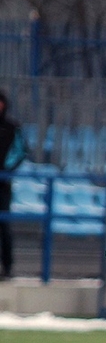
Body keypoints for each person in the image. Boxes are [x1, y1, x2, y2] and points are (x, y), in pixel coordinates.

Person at [0, 90, 28, 280]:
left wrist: (5, 170)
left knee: (4, 226)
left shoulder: (12, 127)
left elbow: (20, 152)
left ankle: (7, 267)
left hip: (3, 183)